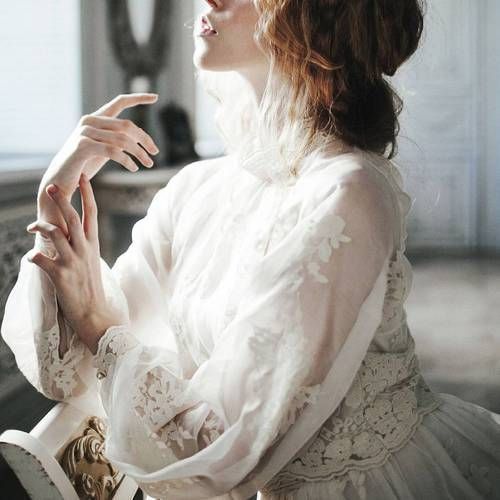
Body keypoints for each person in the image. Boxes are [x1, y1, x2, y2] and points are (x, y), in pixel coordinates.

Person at [2, 0, 500, 498]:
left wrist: (100, 327)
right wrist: (55, 198)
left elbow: (216, 451)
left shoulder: (348, 192)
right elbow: (68, 375)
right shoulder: (197, 188)